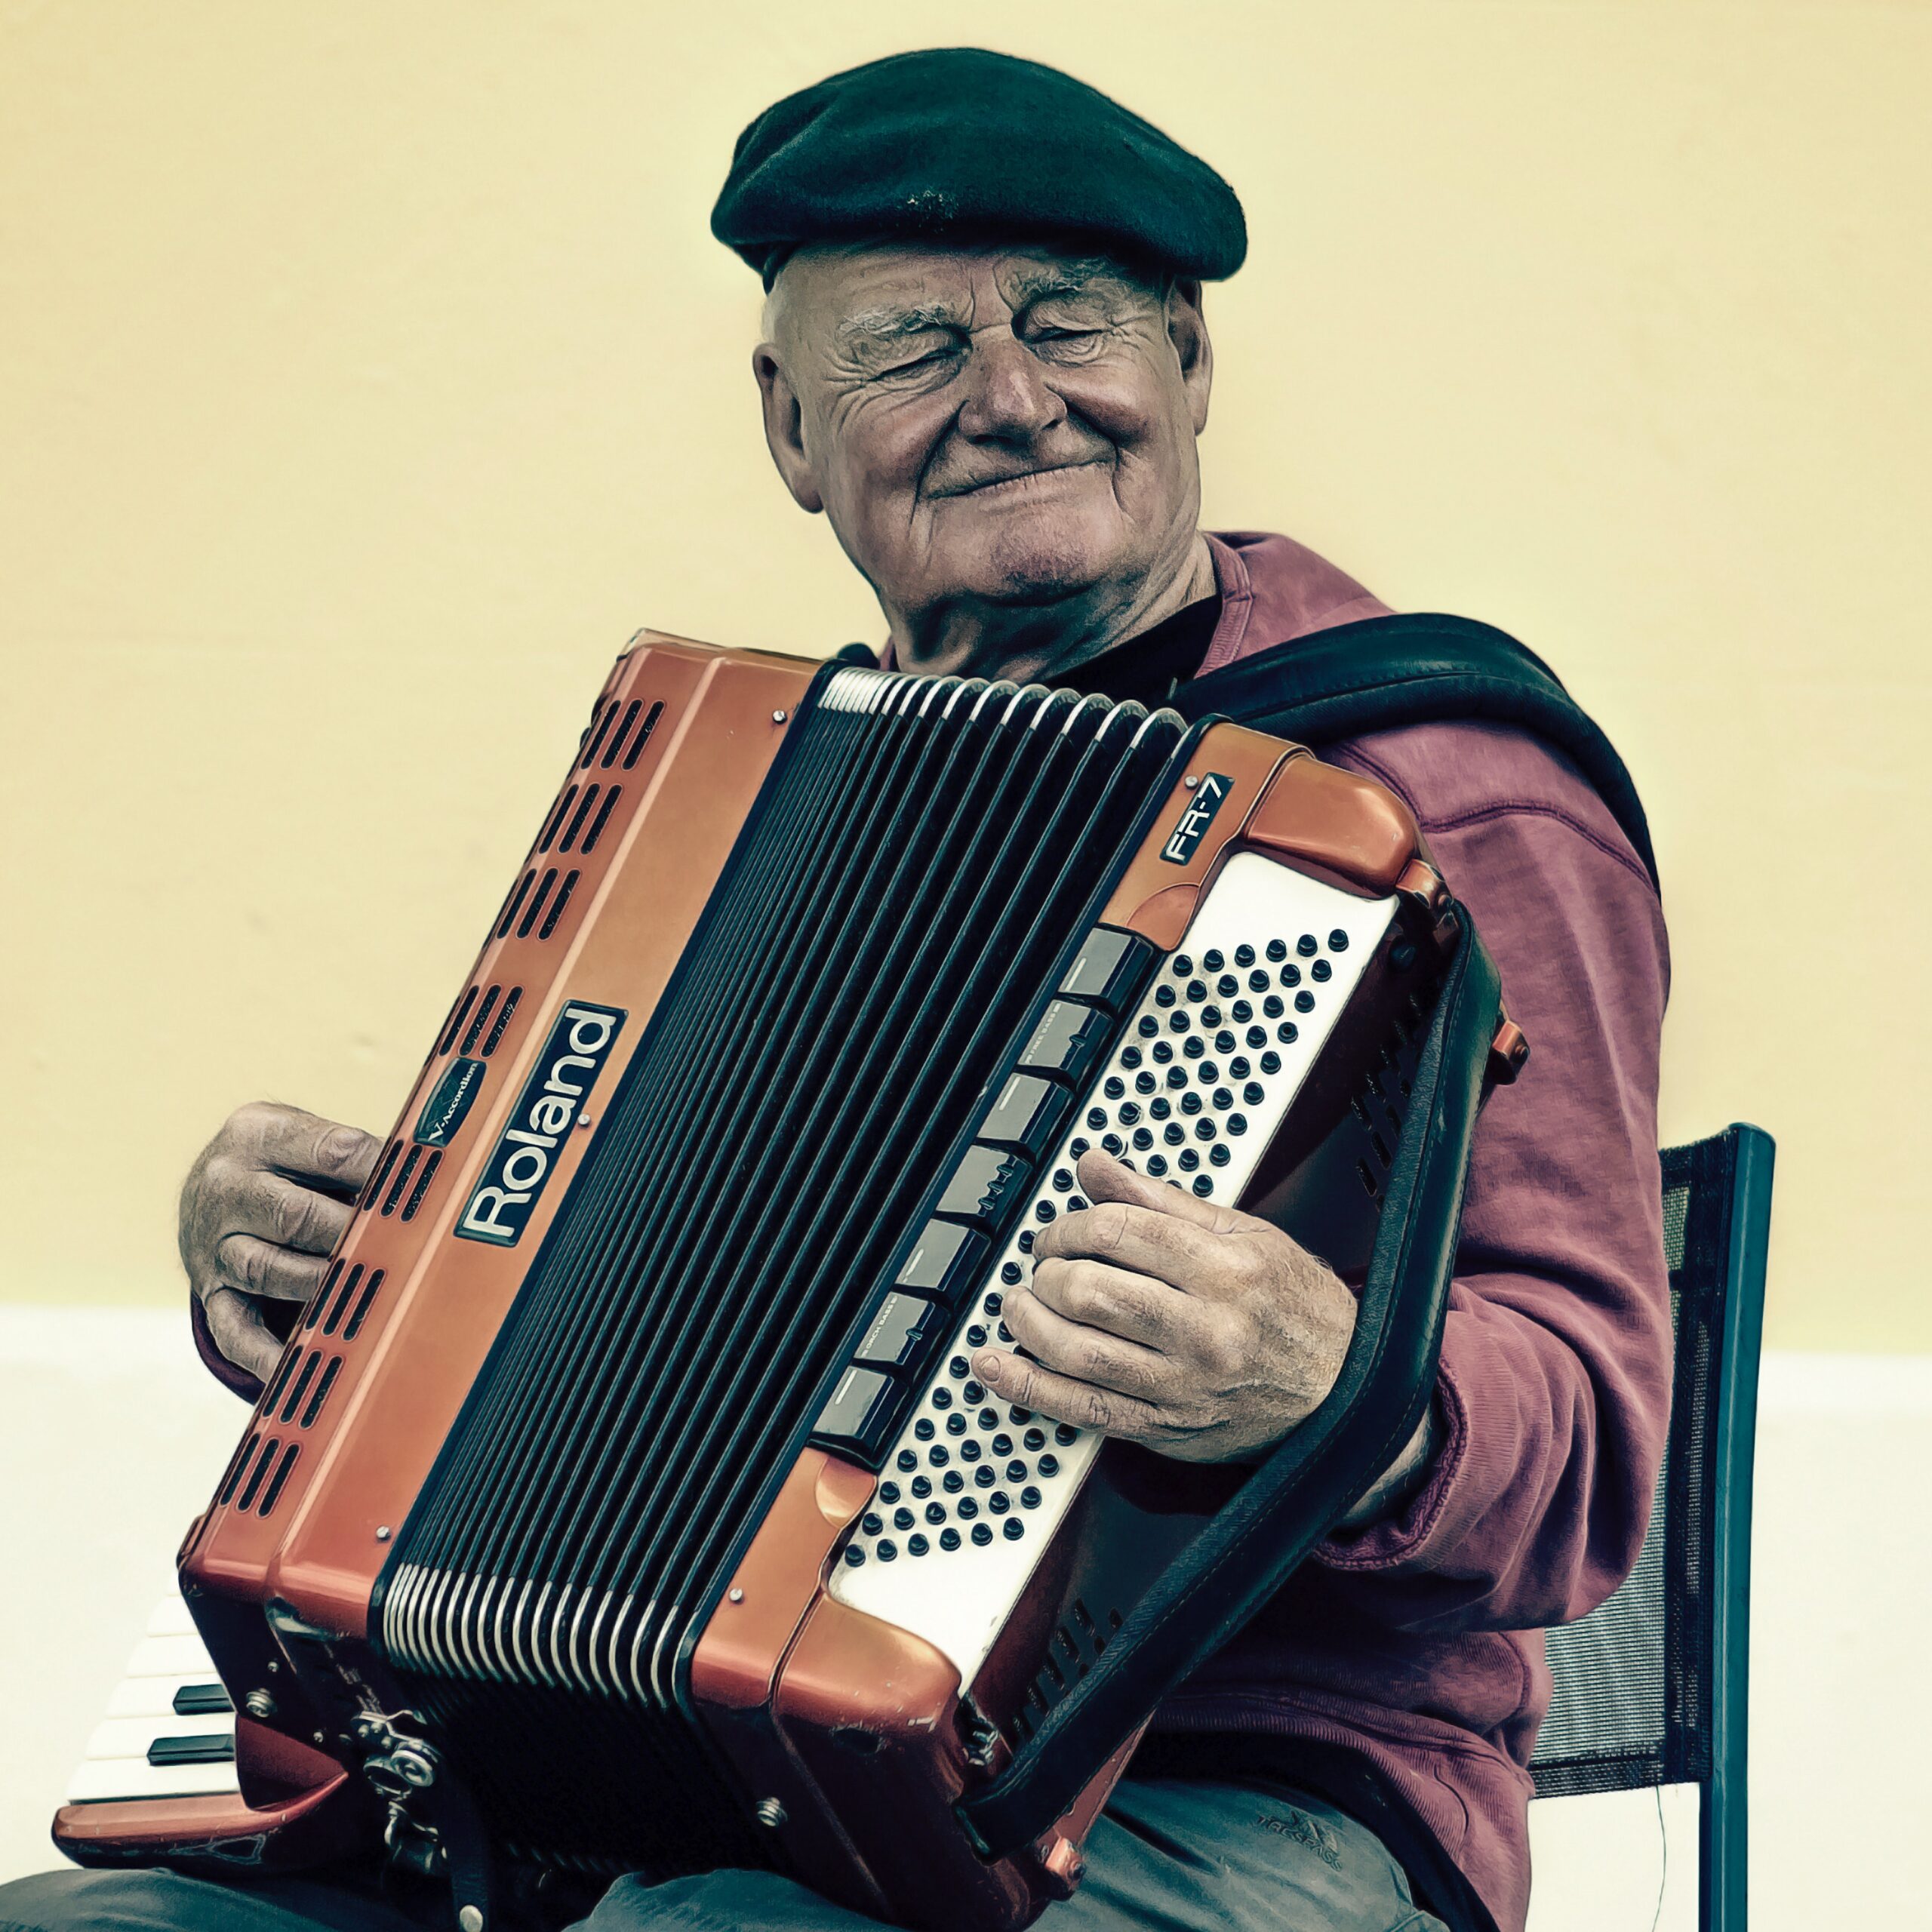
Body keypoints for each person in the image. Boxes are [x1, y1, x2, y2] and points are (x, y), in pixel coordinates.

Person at [0, 48, 1670, 1932]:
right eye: (909, 349)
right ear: (791, 430)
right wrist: (317, 1282)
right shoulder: (747, 808)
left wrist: (1330, 1385)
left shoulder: (1434, 789)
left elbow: (1593, 1447)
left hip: (1243, 1781)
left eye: (1071, 326)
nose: (1012, 400)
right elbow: (570, 1314)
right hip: (653, 1767)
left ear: (1187, 373)